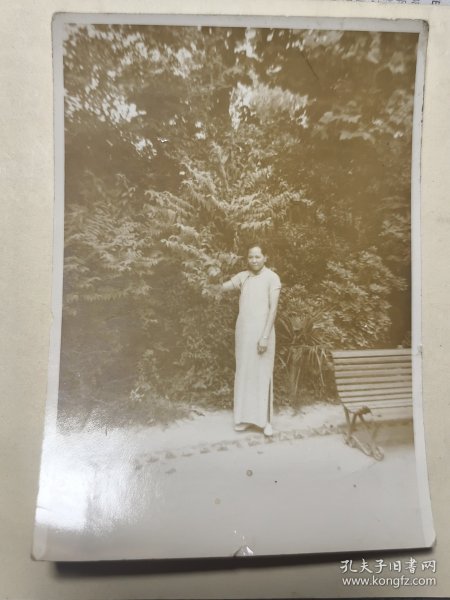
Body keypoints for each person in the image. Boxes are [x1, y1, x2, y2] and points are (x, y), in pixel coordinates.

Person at [219, 244, 281, 436]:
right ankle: (245, 419)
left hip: (263, 334)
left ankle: (265, 422)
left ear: (265, 257)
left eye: (257, 256)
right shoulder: (243, 276)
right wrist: (212, 270)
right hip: (244, 334)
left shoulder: (272, 277)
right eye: (250, 257)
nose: (254, 260)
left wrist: (265, 337)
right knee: (245, 373)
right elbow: (220, 288)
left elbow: (273, 309)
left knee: (262, 375)